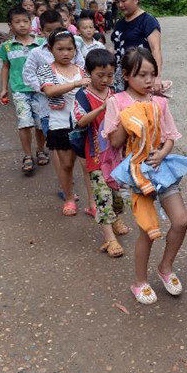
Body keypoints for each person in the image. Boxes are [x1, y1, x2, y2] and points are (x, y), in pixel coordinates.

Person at [103, 48, 187, 304]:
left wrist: (162, 154)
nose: (148, 80)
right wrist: (128, 118)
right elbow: (115, 142)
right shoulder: (116, 102)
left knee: (181, 221)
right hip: (136, 174)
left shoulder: (159, 102)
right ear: (126, 75)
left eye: (152, 74)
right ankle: (139, 282)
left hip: (161, 169)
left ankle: (165, 267)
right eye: (142, 75)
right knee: (147, 230)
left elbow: (170, 137)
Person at [73, 49, 130, 257]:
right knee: (103, 196)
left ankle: (116, 218)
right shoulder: (83, 96)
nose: (105, 80)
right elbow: (80, 121)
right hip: (95, 154)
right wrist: (103, 107)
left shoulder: (116, 92)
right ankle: (110, 239)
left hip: (117, 154)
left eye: (110, 75)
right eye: (100, 75)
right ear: (89, 73)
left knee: (118, 194)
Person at [38, 29, 90, 216]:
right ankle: (69, 198)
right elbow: (50, 91)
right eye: (60, 49)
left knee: (88, 166)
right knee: (66, 164)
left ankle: (93, 204)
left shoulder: (82, 70)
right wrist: (76, 84)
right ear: (51, 49)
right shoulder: (46, 70)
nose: (65, 53)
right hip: (59, 123)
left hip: (83, 122)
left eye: (69, 49)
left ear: (75, 50)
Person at [0, 6, 47, 174]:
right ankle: (27, 155)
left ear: (31, 22)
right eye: (17, 22)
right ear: (10, 25)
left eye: (25, 21)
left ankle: (41, 150)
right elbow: (6, 67)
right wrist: (4, 88)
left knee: (40, 123)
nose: (22, 25)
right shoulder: (7, 47)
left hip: (40, 90)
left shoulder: (41, 43)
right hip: (19, 91)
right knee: (24, 123)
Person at [110, 0, 164, 92]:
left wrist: (157, 77)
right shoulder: (120, 23)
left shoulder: (147, 20)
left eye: (123, 1)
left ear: (135, 0)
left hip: (141, 75)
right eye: (117, 2)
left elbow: (156, 49)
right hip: (122, 76)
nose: (120, 5)